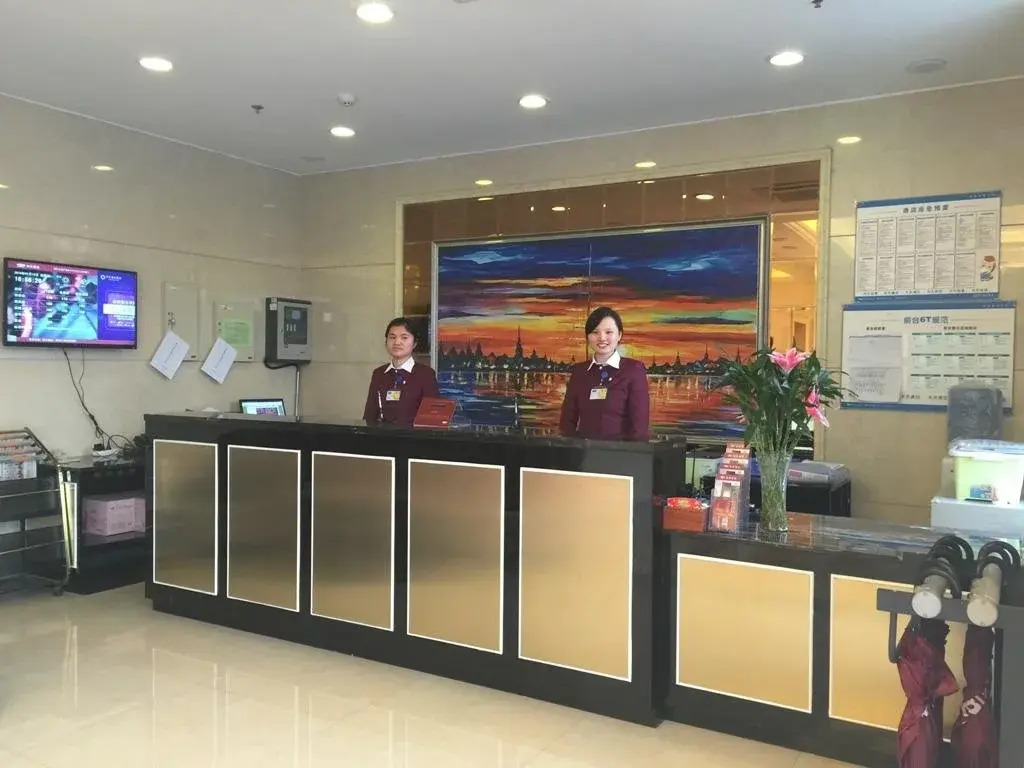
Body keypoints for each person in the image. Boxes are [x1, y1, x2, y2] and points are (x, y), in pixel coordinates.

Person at [559, 306, 650, 441]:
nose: (602, 338)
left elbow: (639, 427)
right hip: (584, 451)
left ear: (619, 335)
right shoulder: (579, 372)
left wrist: (633, 453)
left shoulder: (634, 370)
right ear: (588, 337)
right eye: (595, 332)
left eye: (608, 332)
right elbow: (567, 422)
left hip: (620, 452)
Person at [362, 317, 439, 427]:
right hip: (381, 436)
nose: (397, 342)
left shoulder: (426, 374)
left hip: (413, 436)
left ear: (414, 343)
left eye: (404, 337)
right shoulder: (379, 374)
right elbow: (369, 415)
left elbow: (432, 418)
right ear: (386, 342)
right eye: (392, 337)